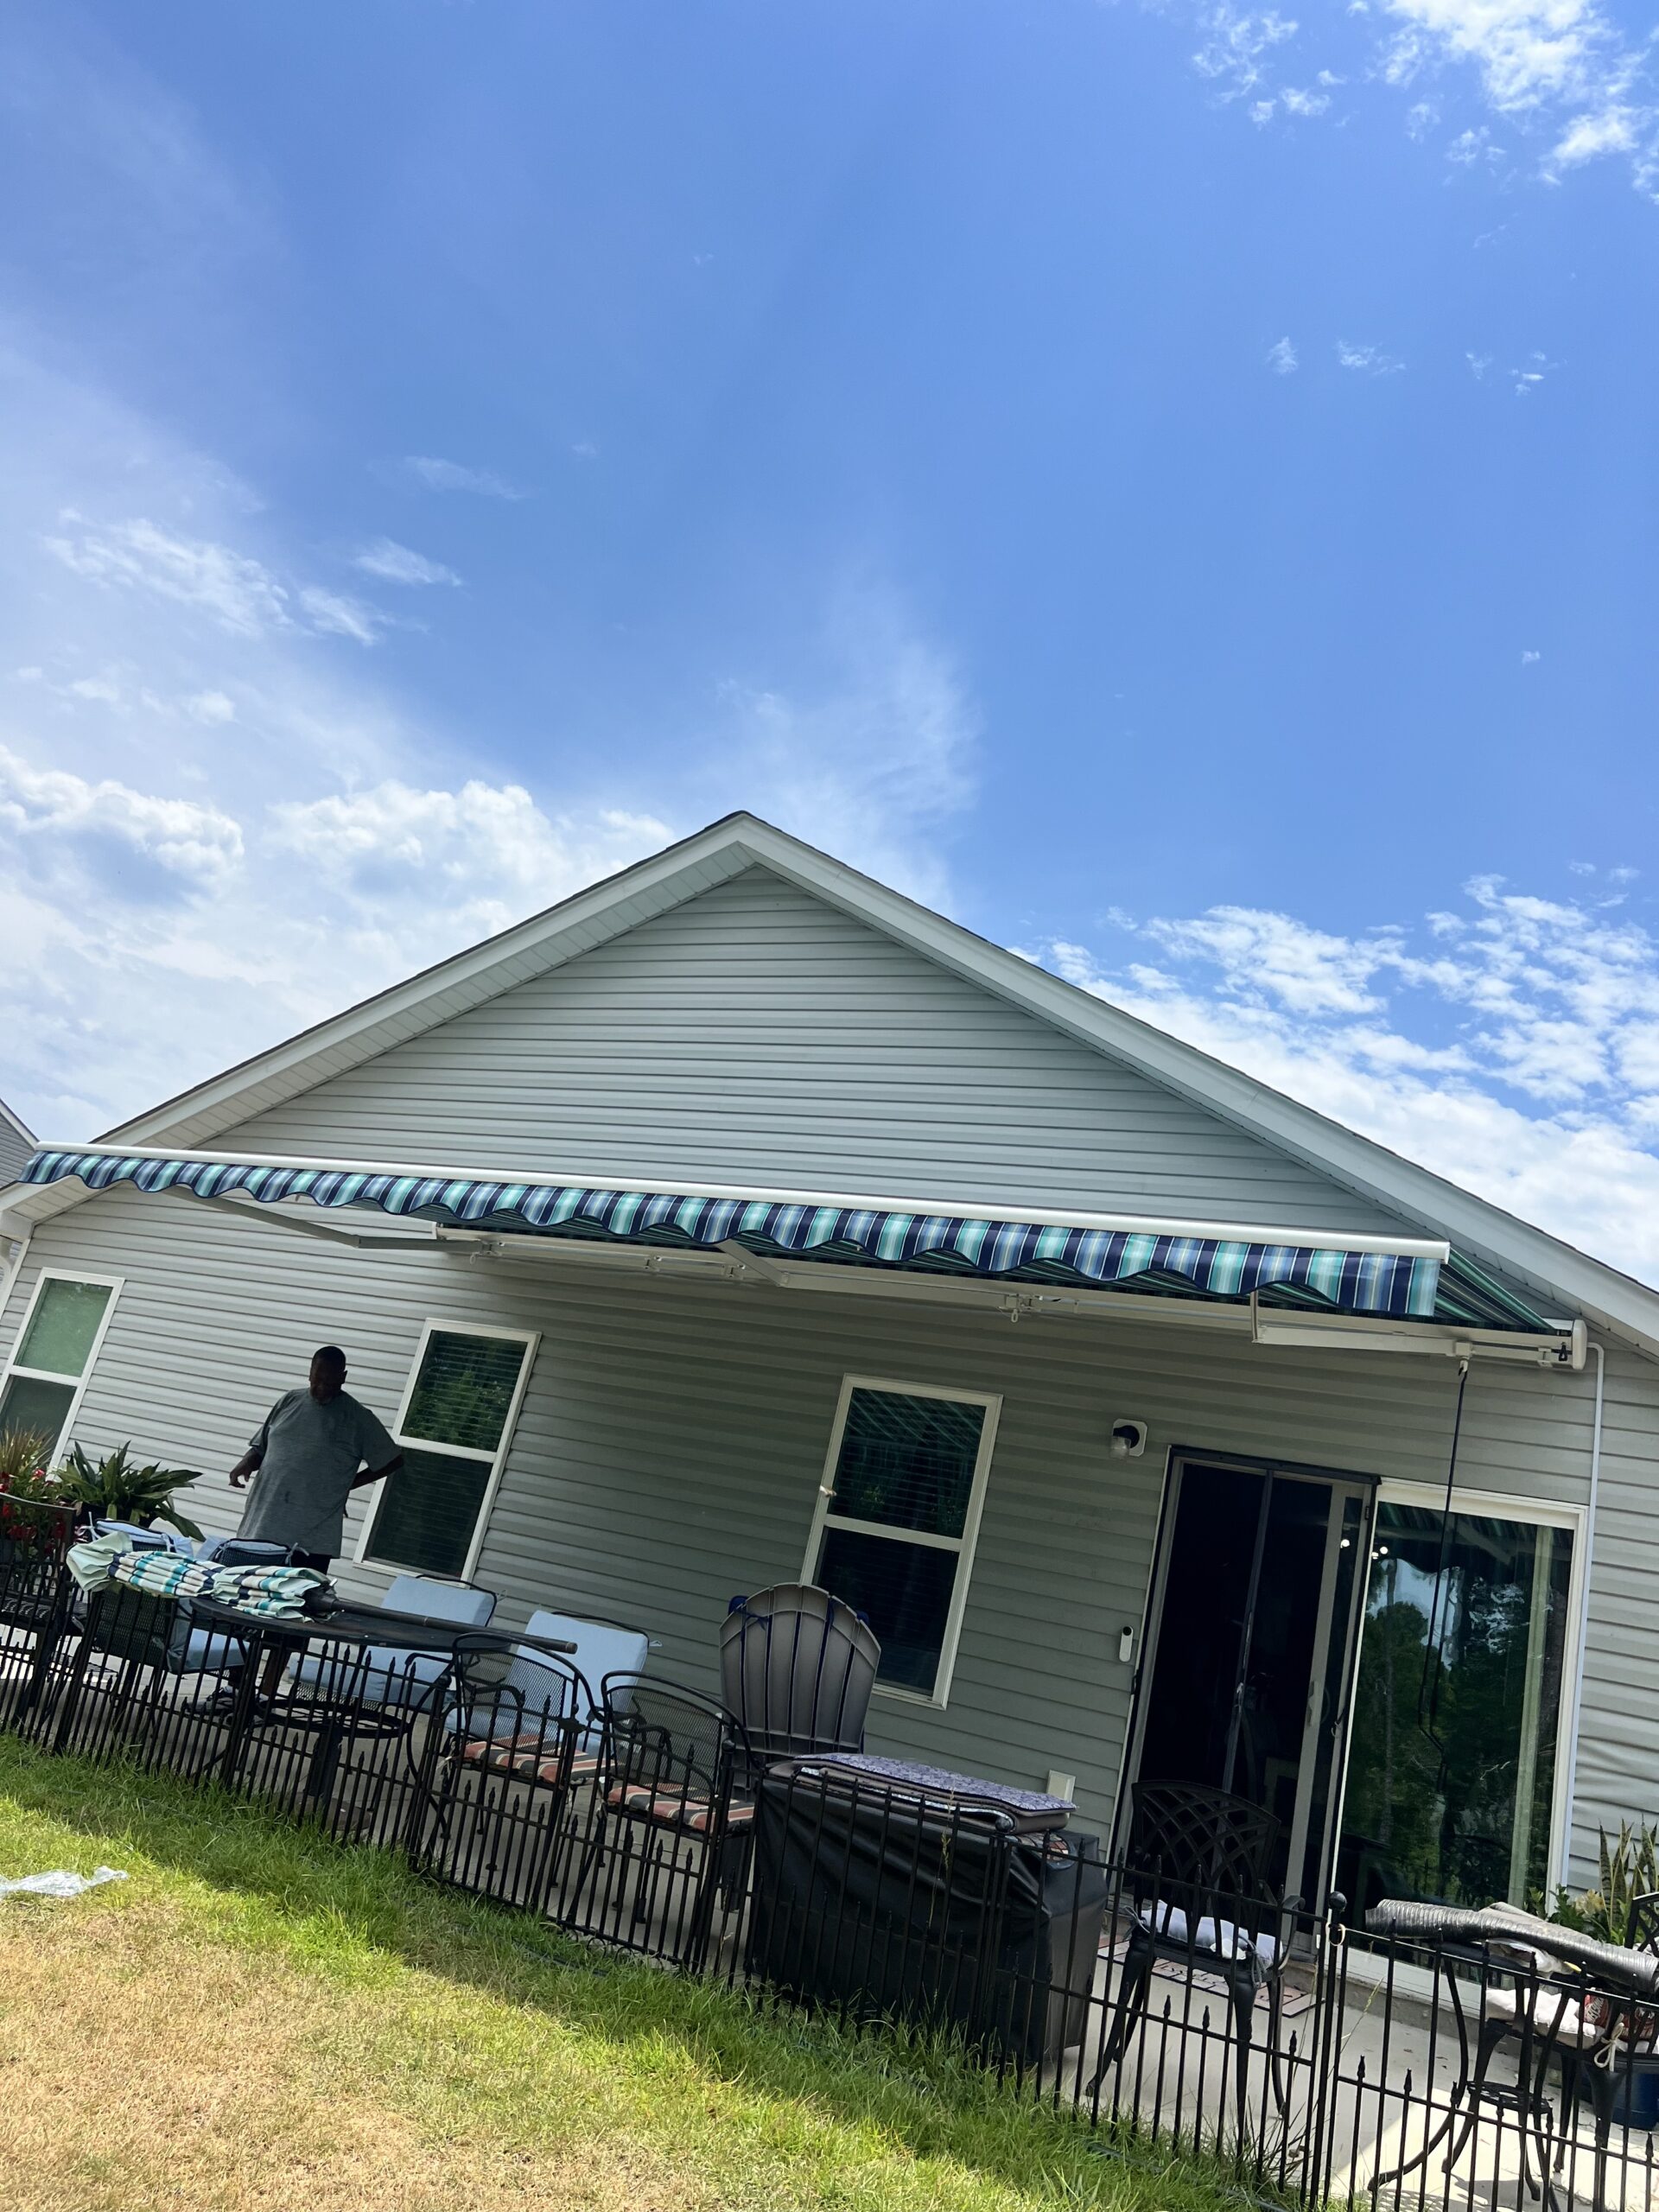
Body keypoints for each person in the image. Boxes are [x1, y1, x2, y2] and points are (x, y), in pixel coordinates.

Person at [226, 1344, 404, 1697]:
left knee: (291, 1617)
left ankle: (265, 1695)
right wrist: (245, 1463)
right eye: (316, 1380)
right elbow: (263, 1445)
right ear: (310, 1373)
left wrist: (348, 1484)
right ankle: (235, 1690)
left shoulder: (358, 1418)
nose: (321, 1388)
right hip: (261, 1525)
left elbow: (393, 1460)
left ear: (343, 1378)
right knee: (248, 1608)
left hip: (311, 1537)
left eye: (329, 1382)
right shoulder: (289, 1401)